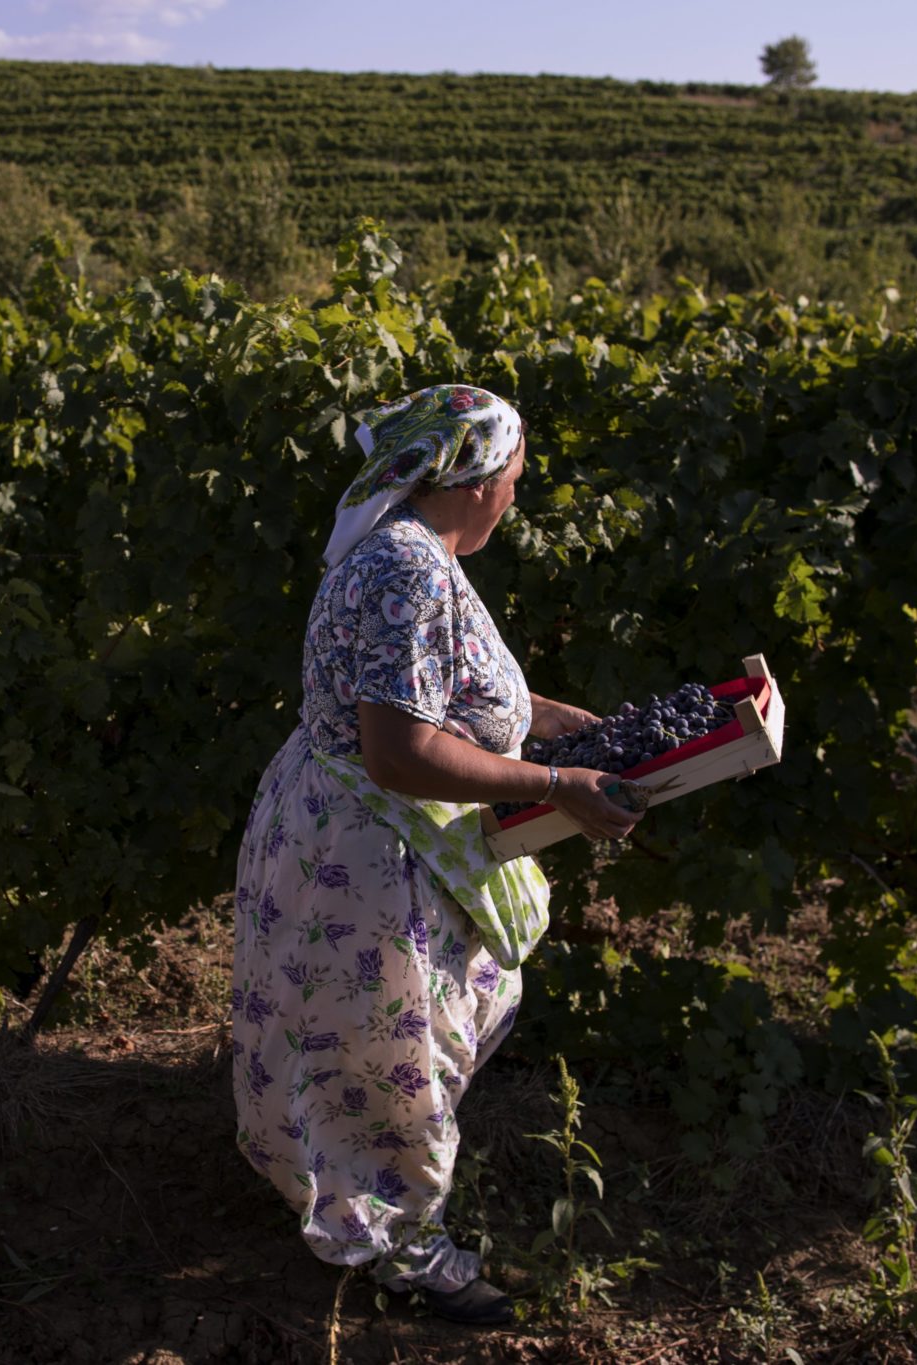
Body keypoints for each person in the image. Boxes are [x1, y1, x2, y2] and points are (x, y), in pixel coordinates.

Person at [230, 385, 642, 1325]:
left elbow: (445, 683)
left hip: (349, 833)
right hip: (373, 858)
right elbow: (401, 748)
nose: (517, 496)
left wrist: (556, 724)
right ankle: (399, 1250)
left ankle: (344, 1199)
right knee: (394, 1053)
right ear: (478, 479)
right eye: (516, 477)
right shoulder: (407, 570)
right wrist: (553, 785)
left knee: (357, 1044)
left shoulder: (408, 548)